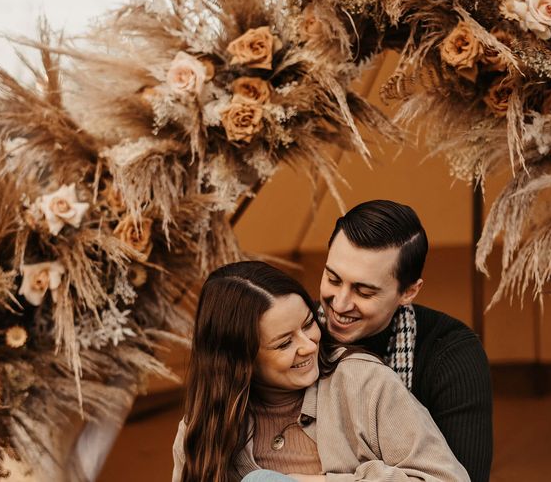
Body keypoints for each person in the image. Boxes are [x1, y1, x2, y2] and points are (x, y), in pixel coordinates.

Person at [172, 260, 469, 482]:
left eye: (308, 324)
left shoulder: (364, 383)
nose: (309, 346)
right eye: (284, 343)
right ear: (239, 362)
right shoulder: (203, 426)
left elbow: (447, 479)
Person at [318, 200, 492, 482]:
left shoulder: (452, 355)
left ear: (409, 292)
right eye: (333, 279)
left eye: (364, 291)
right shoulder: (299, 337)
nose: (339, 303)